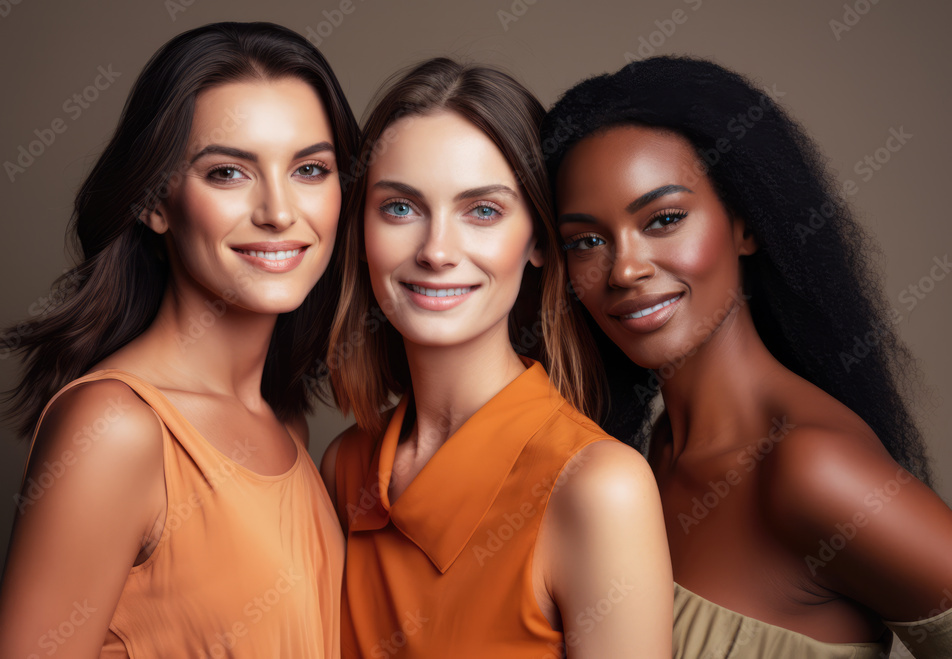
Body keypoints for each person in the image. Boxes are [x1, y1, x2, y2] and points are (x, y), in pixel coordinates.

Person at [542, 55, 952, 658]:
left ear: (745, 225)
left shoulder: (812, 469)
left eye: (665, 219)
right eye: (587, 241)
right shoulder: (649, 454)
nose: (625, 269)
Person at [0, 22, 358, 658]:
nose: (278, 210)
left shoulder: (284, 422)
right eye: (227, 173)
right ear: (156, 202)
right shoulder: (115, 428)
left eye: (310, 168)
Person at [319, 57, 672, 658]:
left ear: (537, 240)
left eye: (482, 211)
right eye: (400, 208)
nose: (436, 251)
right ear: (361, 232)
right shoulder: (345, 465)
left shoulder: (598, 489)